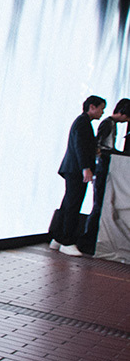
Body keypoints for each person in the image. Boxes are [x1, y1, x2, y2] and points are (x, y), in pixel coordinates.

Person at [48, 95, 107, 256]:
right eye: (101, 108)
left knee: (68, 203)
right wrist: (85, 168)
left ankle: (58, 238)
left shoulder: (83, 122)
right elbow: (79, 147)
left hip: (73, 169)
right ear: (92, 107)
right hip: (76, 170)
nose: (102, 112)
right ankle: (67, 241)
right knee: (73, 204)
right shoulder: (82, 123)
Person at [77, 97, 130, 254]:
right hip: (102, 168)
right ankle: (88, 240)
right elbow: (100, 147)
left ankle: (91, 240)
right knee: (99, 205)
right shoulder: (108, 124)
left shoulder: (111, 124)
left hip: (103, 167)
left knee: (100, 204)